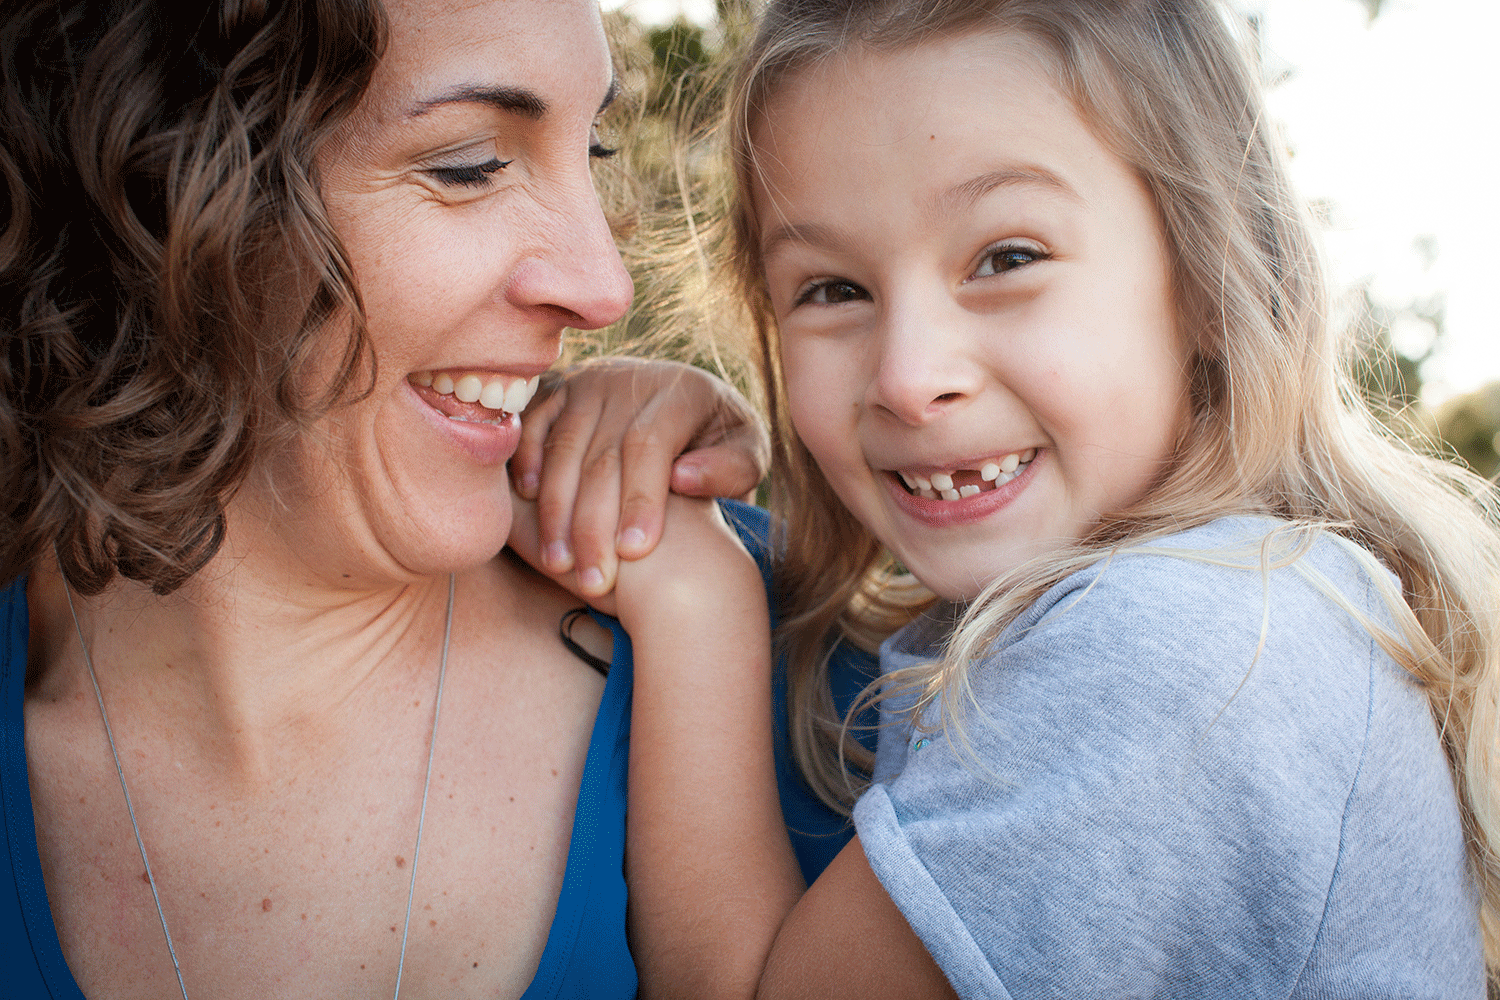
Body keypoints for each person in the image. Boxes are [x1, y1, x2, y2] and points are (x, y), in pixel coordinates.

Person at [519, 0, 1499, 995]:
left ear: (1206, 279)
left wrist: (694, 593)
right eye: (832, 289)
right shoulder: (1239, 595)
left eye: (1006, 258)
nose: (907, 375)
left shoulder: (1188, 650)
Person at [0, 1, 800, 997]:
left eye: (587, 149)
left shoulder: (830, 696)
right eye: (469, 163)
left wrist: (698, 602)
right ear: (157, 183)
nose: (605, 287)